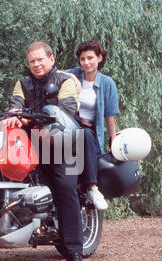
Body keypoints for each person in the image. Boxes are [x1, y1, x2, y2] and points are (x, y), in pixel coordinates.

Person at [0, 41, 90, 261]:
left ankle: (74, 252)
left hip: (56, 141)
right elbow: (15, 105)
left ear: (51, 59)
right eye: (31, 61)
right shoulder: (22, 84)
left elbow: (66, 110)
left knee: (65, 188)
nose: (36, 64)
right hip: (26, 142)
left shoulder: (65, 82)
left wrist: (27, 119)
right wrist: (13, 116)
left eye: (40, 60)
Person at [62, 39, 120, 210]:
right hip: (71, 127)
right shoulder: (75, 74)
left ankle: (92, 187)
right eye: (82, 59)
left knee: (85, 134)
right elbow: (52, 72)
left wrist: (113, 139)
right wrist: (72, 76)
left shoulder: (107, 83)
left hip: (90, 132)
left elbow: (109, 114)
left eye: (90, 58)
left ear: (99, 58)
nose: (86, 63)